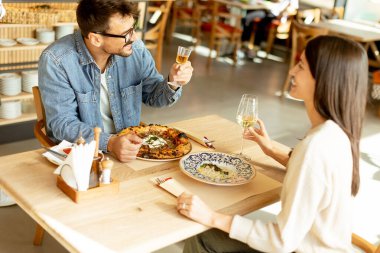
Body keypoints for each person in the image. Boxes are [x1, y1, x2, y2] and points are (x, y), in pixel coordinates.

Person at [177, 35, 368, 252]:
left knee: (203, 236)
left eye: (301, 66)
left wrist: (211, 217)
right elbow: (313, 173)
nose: (292, 71)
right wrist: (270, 149)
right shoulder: (338, 134)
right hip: (319, 242)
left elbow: (281, 241)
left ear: (324, 78)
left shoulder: (316, 147)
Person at [38, 0, 193, 162]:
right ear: (96, 39)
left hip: (130, 151)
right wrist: (110, 143)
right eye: (126, 34)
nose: (134, 38)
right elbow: (62, 123)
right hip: (83, 156)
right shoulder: (57, 60)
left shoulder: (136, 50)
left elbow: (154, 97)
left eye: (134, 28)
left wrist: (173, 82)